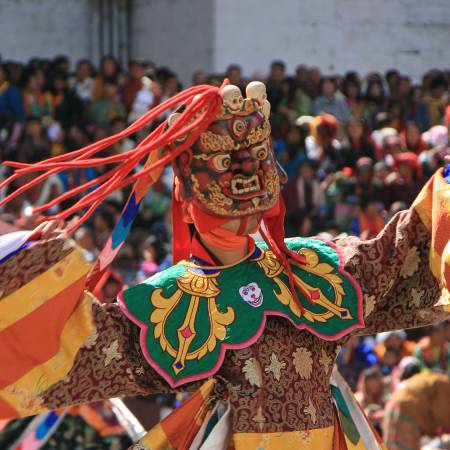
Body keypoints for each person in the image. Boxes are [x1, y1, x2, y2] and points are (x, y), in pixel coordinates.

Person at [0, 80, 449, 450]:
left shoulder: (316, 267)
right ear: (185, 193)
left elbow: (406, 257)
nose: (244, 175)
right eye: (222, 162)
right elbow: (81, 354)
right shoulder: (171, 299)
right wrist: (25, 269)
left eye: (255, 159)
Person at [383, 373, 450, 450]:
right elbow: (442, 413)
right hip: (407, 412)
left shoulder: (436, 380)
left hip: (393, 406)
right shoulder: (444, 385)